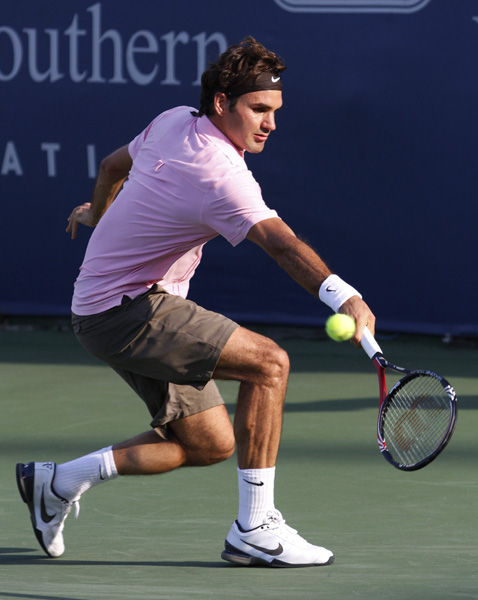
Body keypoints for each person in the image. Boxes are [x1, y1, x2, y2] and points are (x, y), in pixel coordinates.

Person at [16, 36, 375, 568]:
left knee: (208, 444)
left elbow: (111, 168)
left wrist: (99, 213)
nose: (270, 124)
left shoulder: (173, 120)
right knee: (269, 365)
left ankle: (57, 481)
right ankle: (255, 528)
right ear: (221, 104)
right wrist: (342, 294)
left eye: (275, 111)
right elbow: (281, 242)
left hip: (101, 306)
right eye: (259, 109)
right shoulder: (219, 174)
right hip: (127, 309)